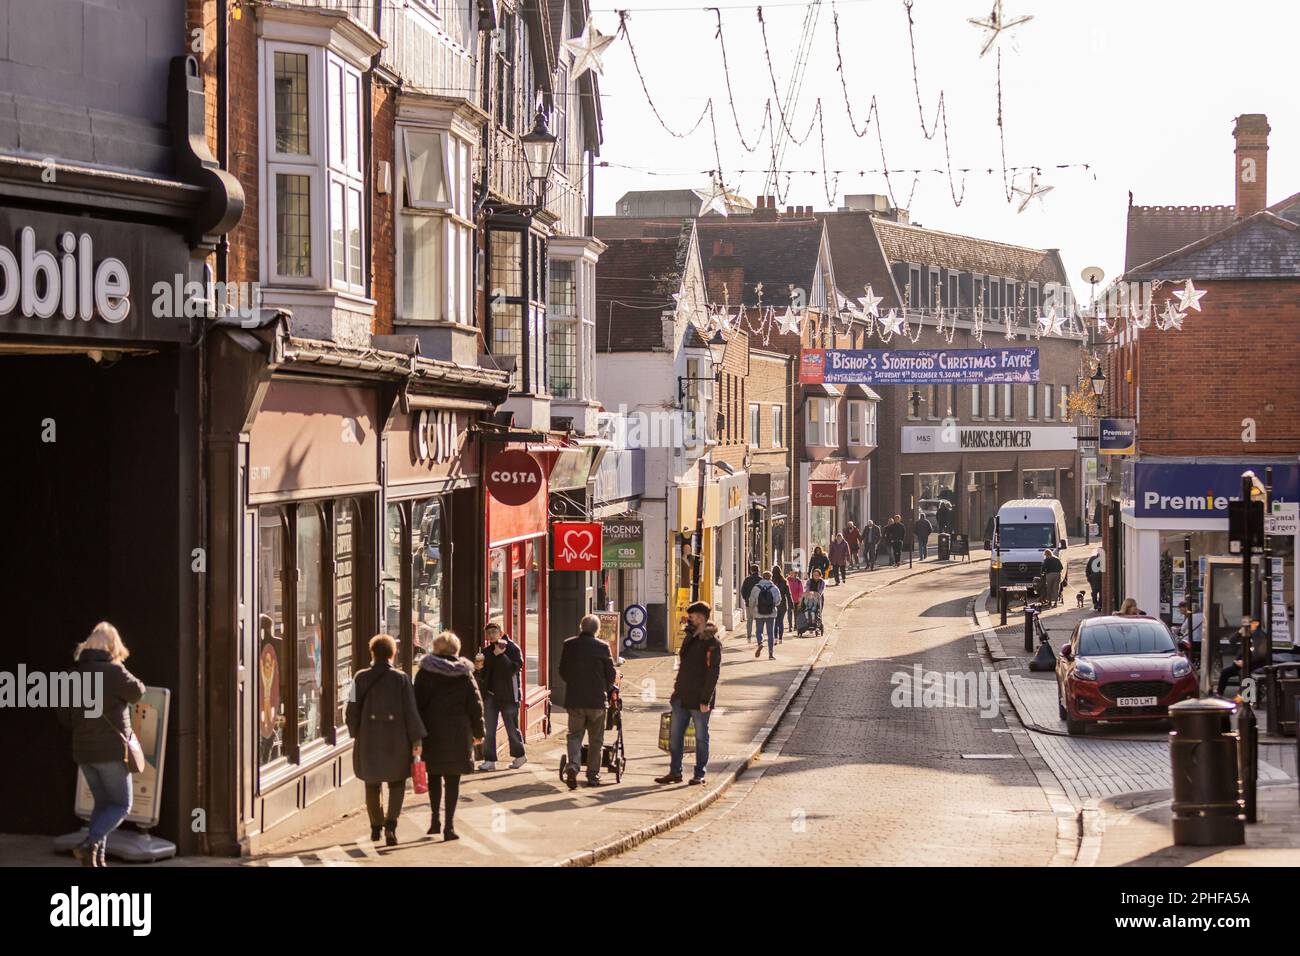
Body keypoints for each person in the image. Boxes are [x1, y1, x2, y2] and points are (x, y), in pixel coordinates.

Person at [59, 622, 146, 867]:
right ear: (113, 646)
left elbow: (63, 716)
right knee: (121, 805)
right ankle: (90, 842)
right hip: (112, 752)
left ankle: (95, 859)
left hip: (84, 752)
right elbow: (138, 692)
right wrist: (118, 666)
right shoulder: (114, 672)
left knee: (103, 804)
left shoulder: (72, 676)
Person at [347, 634, 427, 846]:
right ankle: (391, 824)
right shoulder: (401, 679)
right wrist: (416, 740)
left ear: (372, 653)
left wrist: (357, 732)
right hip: (396, 740)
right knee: (397, 782)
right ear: (393, 653)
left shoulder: (359, 678)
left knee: (372, 784)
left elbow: (351, 709)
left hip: (368, 739)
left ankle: (375, 826)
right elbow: (411, 711)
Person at [413, 631, 484, 841]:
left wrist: (416, 733)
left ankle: (435, 820)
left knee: (434, 776)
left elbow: (416, 704)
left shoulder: (425, 673)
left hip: (431, 732)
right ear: (456, 650)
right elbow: (475, 704)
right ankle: (449, 827)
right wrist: (479, 732)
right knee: (453, 780)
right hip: (458, 733)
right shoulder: (464, 673)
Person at [656, 601, 721, 786]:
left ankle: (699, 773)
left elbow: (713, 673)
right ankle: (675, 772)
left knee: (701, 738)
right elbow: (683, 666)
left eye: (691, 617)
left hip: (700, 699)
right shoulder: (689, 637)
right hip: (682, 696)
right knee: (675, 737)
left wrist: (705, 699)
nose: (688, 620)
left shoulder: (712, 643)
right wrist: (676, 693)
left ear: (700, 618)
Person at [558, 614, 618, 790]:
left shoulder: (569, 644)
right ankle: (593, 775)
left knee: (574, 735)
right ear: (597, 630)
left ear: (580, 627)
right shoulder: (603, 647)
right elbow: (611, 675)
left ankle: (573, 766)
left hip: (575, 699)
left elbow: (563, 670)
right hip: (596, 701)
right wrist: (605, 689)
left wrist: (573, 683)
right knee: (596, 740)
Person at [477, 621, 527, 771]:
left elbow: (513, 669)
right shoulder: (486, 651)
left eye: (494, 632)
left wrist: (501, 656)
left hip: (509, 696)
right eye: (488, 633)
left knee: (512, 727)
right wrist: (479, 669)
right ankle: (490, 760)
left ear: (501, 632)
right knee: (489, 728)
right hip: (491, 695)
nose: (491, 635)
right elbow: (485, 675)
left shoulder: (512, 648)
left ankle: (520, 756)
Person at [749, 570, 783, 660]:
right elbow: (778, 601)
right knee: (770, 633)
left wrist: (752, 610)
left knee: (759, 631)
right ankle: (771, 654)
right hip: (771, 614)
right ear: (770, 578)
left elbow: (751, 601)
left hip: (758, 613)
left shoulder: (756, 588)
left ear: (762, 577)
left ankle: (760, 643)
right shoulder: (774, 588)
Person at [739, 564, 763, 645]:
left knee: (749, 620)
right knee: (758, 621)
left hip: (749, 603)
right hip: (758, 604)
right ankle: (758, 638)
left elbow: (743, 591)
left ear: (751, 570)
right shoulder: (761, 580)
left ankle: (749, 637)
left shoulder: (747, 579)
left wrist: (746, 599)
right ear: (758, 570)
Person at [772, 565, 792, 645]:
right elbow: (788, 594)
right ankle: (780, 638)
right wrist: (791, 605)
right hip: (783, 604)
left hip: (774, 604)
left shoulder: (772, 581)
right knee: (781, 622)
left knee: (775, 622)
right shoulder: (784, 581)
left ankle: (775, 638)